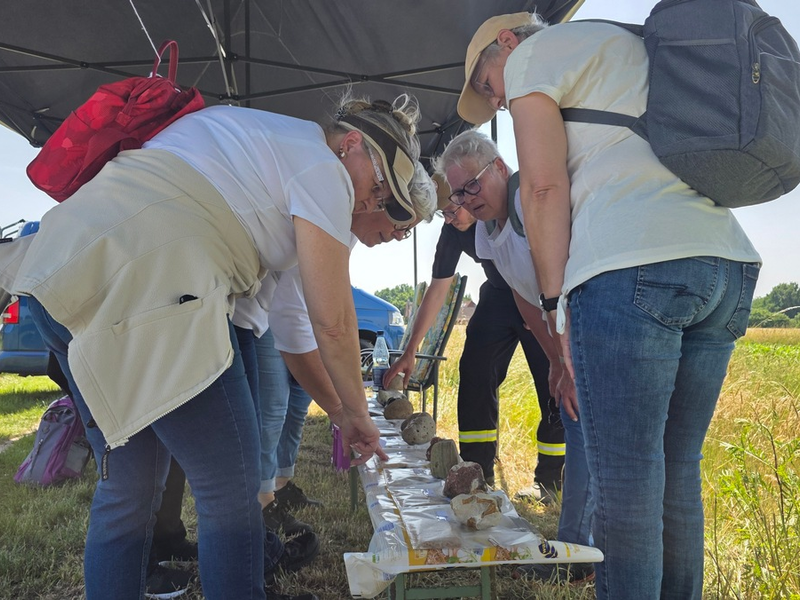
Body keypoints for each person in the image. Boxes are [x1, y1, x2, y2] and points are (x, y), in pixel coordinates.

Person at [7, 89, 429, 599]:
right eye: (380, 187)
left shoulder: (260, 145)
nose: (371, 202)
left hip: (61, 278)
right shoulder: (323, 167)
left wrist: (340, 412)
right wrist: (358, 415)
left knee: (129, 488)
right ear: (353, 146)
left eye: (383, 203)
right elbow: (333, 323)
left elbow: (288, 325)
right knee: (231, 491)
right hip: (147, 289)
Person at [458, 13, 762, 599]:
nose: (497, 102)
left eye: (488, 88)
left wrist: (555, 306)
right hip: (723, 260)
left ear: (506, 43)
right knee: (677, 469)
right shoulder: (625, 39)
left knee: (627, 480)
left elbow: (543, 188)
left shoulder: (530, 60)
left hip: (632, 264)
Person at [435, 128, 594, 584]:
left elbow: (556, 281)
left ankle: (575, 554)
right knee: (584, 433)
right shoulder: (486, 231)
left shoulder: (529, 201)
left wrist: (566, 350)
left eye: (473, 185)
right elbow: (524, 297)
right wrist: (555, 360)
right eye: (459, 193)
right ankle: (577, 553)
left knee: (588, 439)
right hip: (559, 327)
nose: (466, 199)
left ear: (500, 168)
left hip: (584, 314)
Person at [383, 173, 564, 495]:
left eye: (454, 208)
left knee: (551, 382)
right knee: (474, 373)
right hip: (497, 296)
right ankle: (475, 472)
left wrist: (542, 308)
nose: (450, 218)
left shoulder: (508, 210)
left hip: (538, 294)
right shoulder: (452, 229)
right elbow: (439, 289)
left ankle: (550, 481)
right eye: (445, 214)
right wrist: (410, 349)